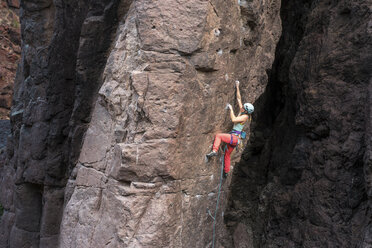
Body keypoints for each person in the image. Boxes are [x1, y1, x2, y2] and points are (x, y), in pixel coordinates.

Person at [206, 80, 254, 178]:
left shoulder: (244, 117)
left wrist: (231, 109)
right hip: (235, 140)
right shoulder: (244, 113)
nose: (242, 108)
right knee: (227, 154)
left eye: (244, 108)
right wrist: (237, 86)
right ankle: (226, 171)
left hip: (234, 138)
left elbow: (234, 119)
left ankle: (214, 151)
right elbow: (239, 99)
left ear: (246, 110)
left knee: (219, 136)